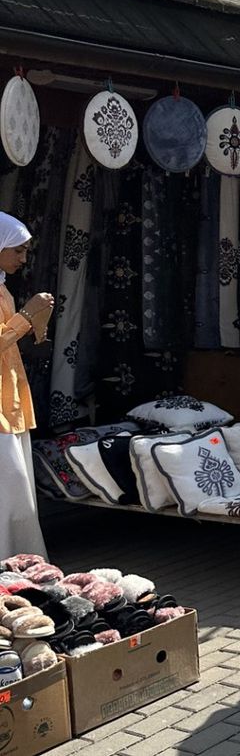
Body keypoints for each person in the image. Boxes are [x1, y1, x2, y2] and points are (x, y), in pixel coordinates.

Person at [0, 212, 51, 559]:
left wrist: (37, 324)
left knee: (17, 494)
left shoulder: (1, 287)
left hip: (9, 395)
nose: (23, 258)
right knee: (9, 488)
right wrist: (27, 316)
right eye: (17, 250)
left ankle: (19, 565)